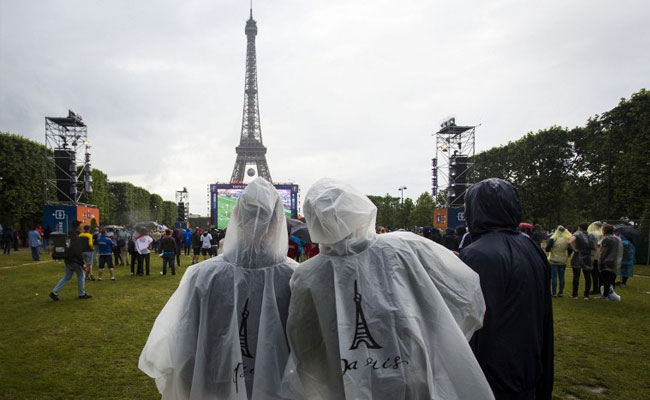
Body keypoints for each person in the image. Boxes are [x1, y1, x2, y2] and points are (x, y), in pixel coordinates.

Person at [286, 178, 492, 400]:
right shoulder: (406, 246)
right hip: (414, 377)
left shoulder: (307, 275)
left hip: (346, 383)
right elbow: (464, 293)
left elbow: (305, 347)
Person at [139, 178, 298, 399]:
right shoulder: (296, 276)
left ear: (236, 218)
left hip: (216, 387)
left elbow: (185, 349)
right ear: (279, 222)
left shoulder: (202, 275)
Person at [459, 178, 553, 399]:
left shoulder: (477, 254)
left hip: (492, 374)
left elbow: (469, 322)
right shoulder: (530, 247)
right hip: (529, 362)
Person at [49, 221, 92, 300]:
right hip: (75, 260)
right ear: (77, 226)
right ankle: (81, 294)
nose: (81, 226)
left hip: (67, 258)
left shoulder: (68, 236)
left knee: (67, 277)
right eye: (80, 225)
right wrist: (82, 263)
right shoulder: (76, 237)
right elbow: (77, 251)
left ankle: (54, 292)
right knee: (81, 275)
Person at [569, 223, 594, 299]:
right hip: (588, 256)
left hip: (578, 256)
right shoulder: (591, 235)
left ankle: (575, 294)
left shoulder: (577, 234)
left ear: (579, 228)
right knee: (587, 276)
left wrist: (574, 249)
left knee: (576, 276)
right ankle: (586, 295)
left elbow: (570, 242)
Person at [546, 225, 571, 297]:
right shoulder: (567, 239)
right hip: (563, 259)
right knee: (562, 277)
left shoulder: (553, 238)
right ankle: (561, 292)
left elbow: (547, 249)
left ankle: (554, 292)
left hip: (554, 259)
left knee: (554, 277)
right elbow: (570, 250)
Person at [599, 224, 621, 301]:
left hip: (607, 261)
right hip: (615, 261)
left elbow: (603, 251)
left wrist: (601, 260)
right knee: (612, 278)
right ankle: (612, 294)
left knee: (605, 279)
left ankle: (605, 295)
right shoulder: (617, 239)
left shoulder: (606, 239)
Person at [587, 221, 603, 295]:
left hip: (594, 255)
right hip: (601, 256)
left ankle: (595, 289)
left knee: (594, 273)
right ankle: (600, 288)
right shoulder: (603, 233)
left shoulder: (592, 234)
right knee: (600, 273)